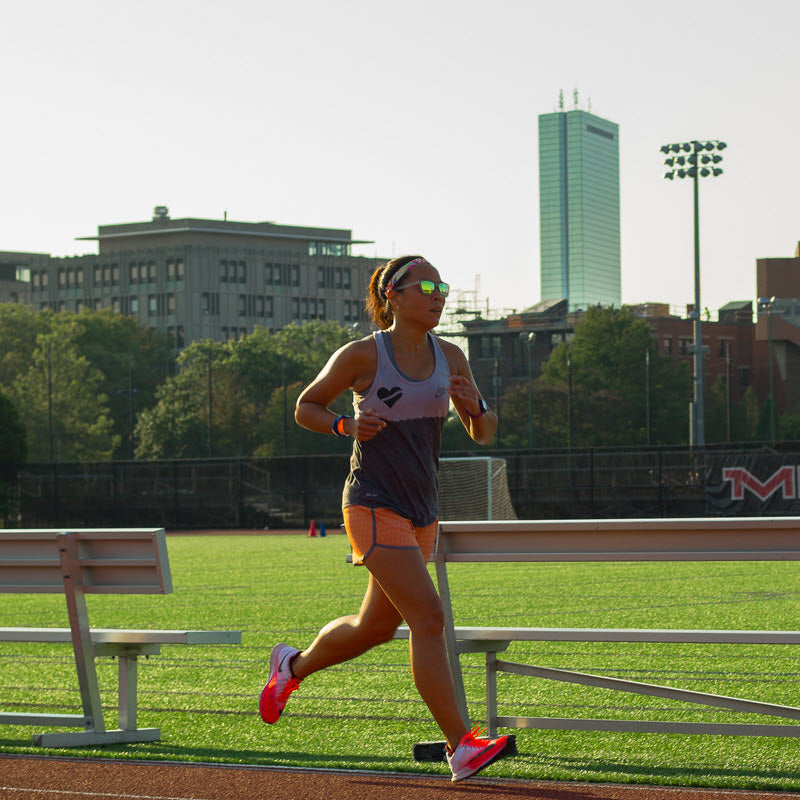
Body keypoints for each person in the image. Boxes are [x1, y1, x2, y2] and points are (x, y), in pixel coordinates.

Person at [259, 255, 511, 782]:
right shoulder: (361, 355)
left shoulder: (453, 356)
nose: (439, 295)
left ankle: (292, 666)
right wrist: (345, 426)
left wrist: (476, 406)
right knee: (429, 617)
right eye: (427, 286)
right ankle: (460, 746)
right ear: (393, 296)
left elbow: (483, 433)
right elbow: (307, 405)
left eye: (443, 286)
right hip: (372, 503)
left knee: (374, 627)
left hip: (423, 510)